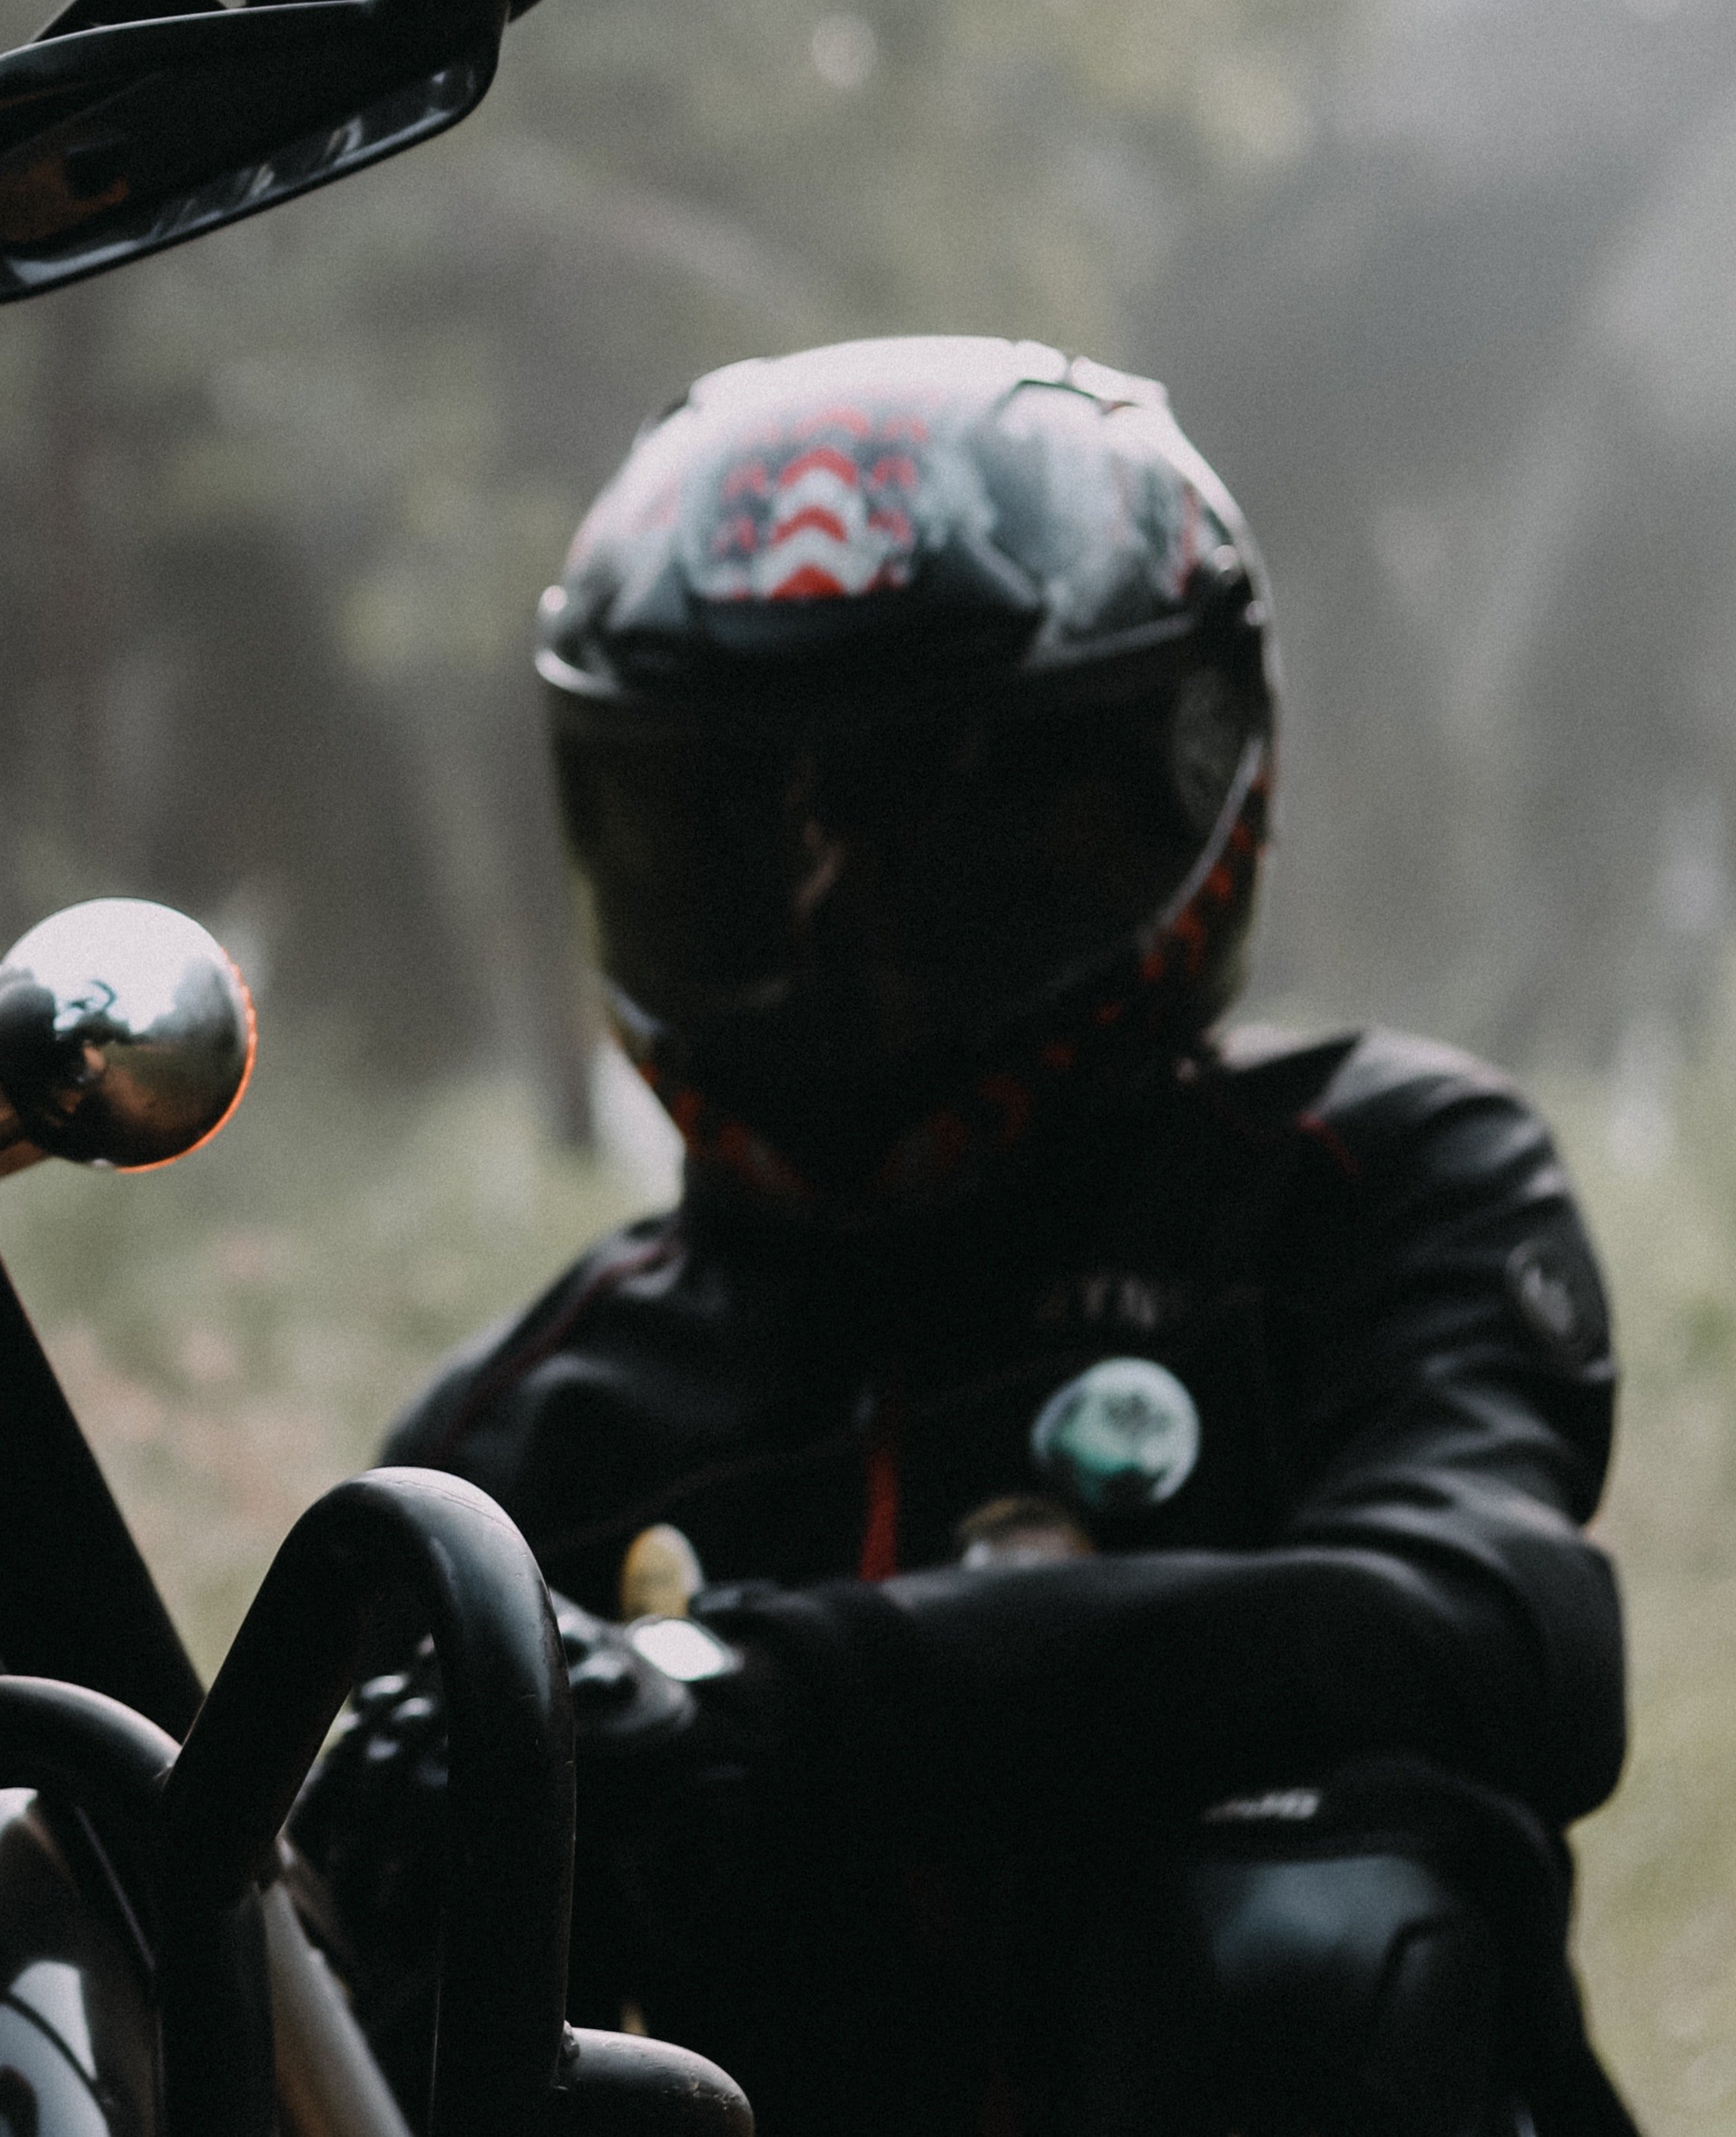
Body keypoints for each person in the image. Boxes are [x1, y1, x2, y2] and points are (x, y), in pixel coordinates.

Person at [294, 336, 1633, 2137]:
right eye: (739, 829)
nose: (833, 913)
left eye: (939, 813)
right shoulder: (531, 1431)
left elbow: (1495, 1629)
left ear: (1180, 760)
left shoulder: (1354, 1176)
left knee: (1311, 1925)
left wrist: (723, 1693)